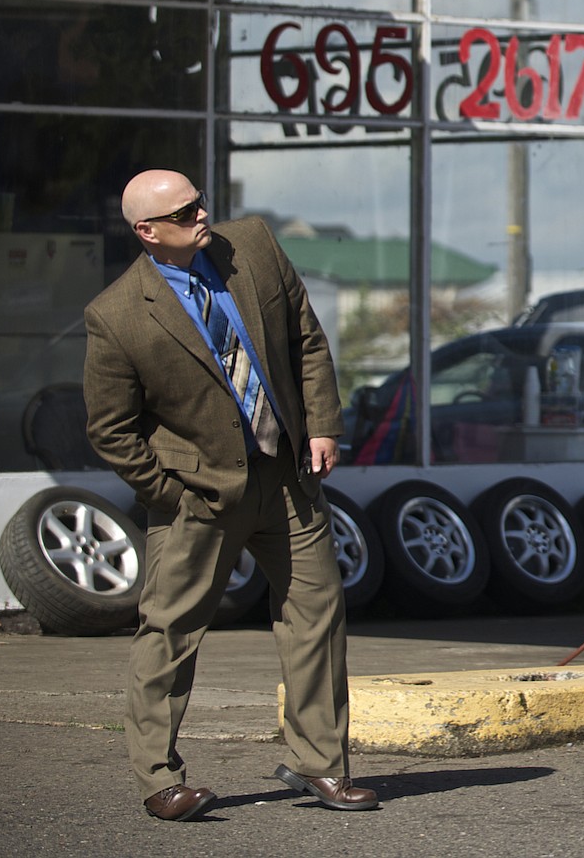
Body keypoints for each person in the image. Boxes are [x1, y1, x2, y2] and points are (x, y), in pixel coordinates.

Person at [84, 170, 378, 820]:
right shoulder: (117, 315)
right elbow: (111, 430)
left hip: (286, 479)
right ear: (147, 232)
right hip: (199, 496)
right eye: (184, 211)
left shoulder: (254, 246)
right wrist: (170, 491)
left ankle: (320, 766)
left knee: (317, 618)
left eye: (199, 201)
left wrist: (324, 424)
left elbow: (306, 338)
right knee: (169, 632)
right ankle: (161, 780)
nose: (202, 214)